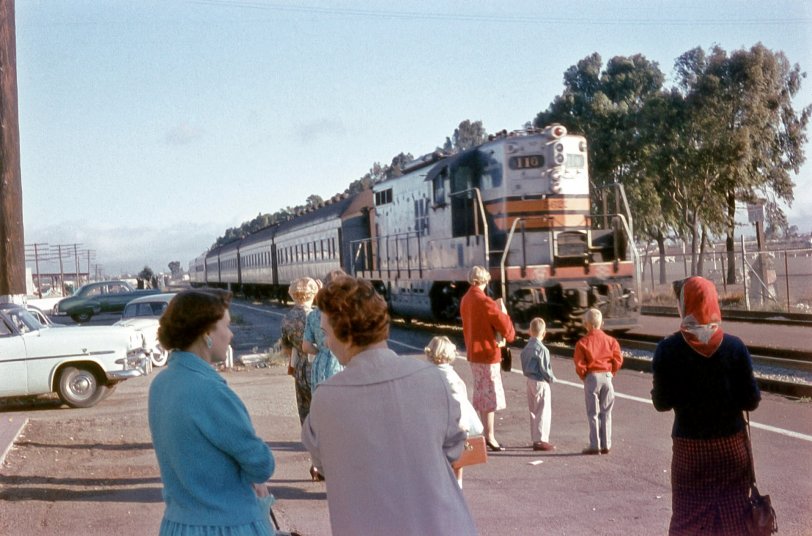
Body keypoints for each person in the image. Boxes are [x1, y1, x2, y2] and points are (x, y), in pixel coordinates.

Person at [301, 275, 477, 536]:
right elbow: (454, 448)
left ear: (346, 334)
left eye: (327, 333)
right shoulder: (435, 380)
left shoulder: (325, 399)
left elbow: (323, 463)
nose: (326, 342)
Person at [148, 289, 275, 536]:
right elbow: (260, 465)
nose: (231, 334)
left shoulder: (161, 384)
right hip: (226, 526)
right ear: (206, 334)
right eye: (226, 326)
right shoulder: (210, 391)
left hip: (178, 525)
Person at [652, 276, 761, 535]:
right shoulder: (735, 347)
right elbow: (751, 401)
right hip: (730, 448)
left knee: (688, 520)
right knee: (734, 520)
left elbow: (661, 403)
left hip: (690, 450)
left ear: (683, 305)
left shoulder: (667, 349)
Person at [459, 265, 515, 451]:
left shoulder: (466, 299)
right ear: (484, 280)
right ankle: (489, 436)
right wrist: (509, 331)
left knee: (481, 392)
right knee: (489, 395)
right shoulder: (485, 301)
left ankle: (484, 433)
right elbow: (504, 325)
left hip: (474, 354)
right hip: (488, 353)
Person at [425, 335, 484, 488]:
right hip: (456, 424)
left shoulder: (427, 374)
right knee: (458, 459)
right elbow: (460, 402)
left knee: (439, 460)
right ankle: (458, 486)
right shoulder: (451, 376)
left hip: (435, 426)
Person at [573, 308, 623, 455]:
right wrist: (611, 373)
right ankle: (606, 443)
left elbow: (579, 363)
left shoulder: (582, 343)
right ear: (602, 323)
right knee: (606, 412)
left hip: (592, 377)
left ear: (586, 324)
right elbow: (618, 359)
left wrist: (585, 376)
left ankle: (595, 444)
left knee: (592, 413)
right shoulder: (611, 341)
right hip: (607, 378)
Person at [280, 277, 319, 425]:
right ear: (313, 293)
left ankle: (309, 438)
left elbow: (285, 347)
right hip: (317, 366)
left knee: (304, 408)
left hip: (299, 367)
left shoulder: (286, 318)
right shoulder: (315, 316)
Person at [303, 270, 346, 392]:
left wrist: (321, 351)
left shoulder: (313, 315)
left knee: (320, 402)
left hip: (320, 364)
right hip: (340, 362)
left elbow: (306, 346)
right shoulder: (346, 313)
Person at [520, 317, 556, 451]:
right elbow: (545, 369)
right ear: (544, 333)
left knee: (533, 410)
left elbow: (524, 365)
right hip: (541, 381)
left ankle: (535, 438)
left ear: (529, 331)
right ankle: (541, 439)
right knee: (543, 410)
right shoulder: (543, 350)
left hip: (529, 380)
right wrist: (551, 379)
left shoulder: (526, 349)